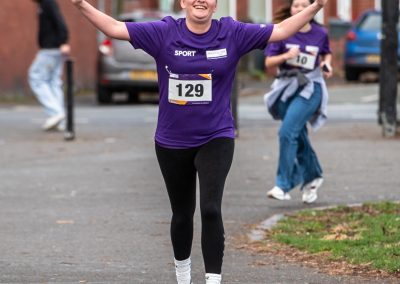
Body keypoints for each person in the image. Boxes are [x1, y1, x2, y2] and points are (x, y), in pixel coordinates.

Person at [69, 0, 328, 283]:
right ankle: (183, 274)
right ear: (183, 2)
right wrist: (81, 4)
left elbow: (279, 31)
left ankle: (213, 279)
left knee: (210, 208)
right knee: (182, 214)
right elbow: (116, 28)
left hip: (216, 136)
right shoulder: (164, 32)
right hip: (171, 141)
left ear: (216, 4)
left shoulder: (232, 32)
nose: (200, 1)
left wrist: (315, 7)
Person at [264, 0, 332, 204]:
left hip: (311, 88)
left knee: (287, 132)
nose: (299, 9)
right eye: (296, 6)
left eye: (304, 5)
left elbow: (326, 53)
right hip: (286, 88)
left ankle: (283, 185)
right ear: (290, 9)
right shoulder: (282, 31)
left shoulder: (320, 33)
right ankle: (312, 176)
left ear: (311, 9)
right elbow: (268, 62)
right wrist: (287, 55)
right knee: (297, 133)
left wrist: (327, 64)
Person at [29, 0, 70, 131]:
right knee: (53, 81)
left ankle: (56, 113)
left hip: (51, 48)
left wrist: (63, 40)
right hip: (54, 48)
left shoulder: (48, 2)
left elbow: (60, 21)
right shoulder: (44, 4)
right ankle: (60, 120)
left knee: (36, 77)